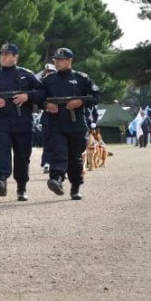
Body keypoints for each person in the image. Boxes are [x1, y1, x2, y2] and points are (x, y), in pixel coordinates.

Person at [0, 43, 45, 201]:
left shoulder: (26, 75)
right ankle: (1, 180)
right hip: (1, 121)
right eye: (2, 54)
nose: (3, 57)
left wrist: (27, 96)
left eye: (7, 54)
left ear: (15, 57)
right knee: (3, 151)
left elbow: (41, 93)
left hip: (23, 122)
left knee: (22, 156)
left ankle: (22, 188)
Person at [41, 48, 100, 200]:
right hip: (56, 124)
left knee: (74, 158)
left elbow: (96, 96)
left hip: (76, 124)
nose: (57, 62)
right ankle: (57, 179)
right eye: (55, 59)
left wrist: (80, 101)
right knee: (59, 153)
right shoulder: (48, 80)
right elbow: (37, 98)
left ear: (69, 60)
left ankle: (75, 187)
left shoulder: (81, 78)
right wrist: (46, 105)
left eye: (60, 59)